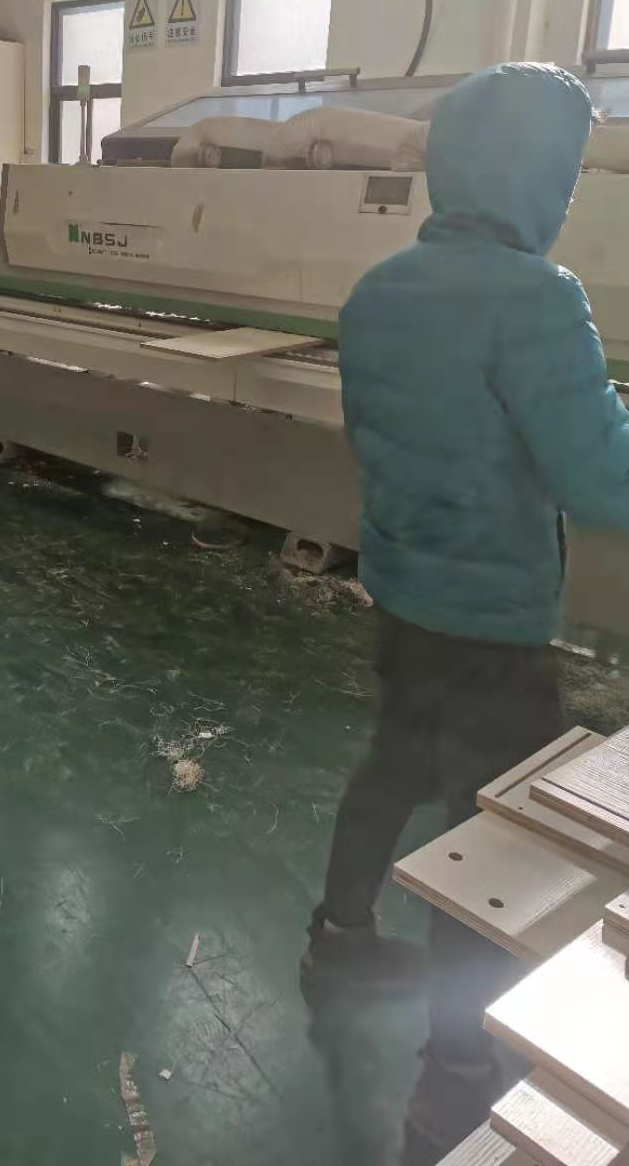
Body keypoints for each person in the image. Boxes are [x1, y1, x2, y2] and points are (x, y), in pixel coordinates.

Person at [301, 64, 629, 1162]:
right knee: (487, 854)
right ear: (536, 175)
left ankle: (340, 936)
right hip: (491, 622)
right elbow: (601, 479)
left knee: (395, 759)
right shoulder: (539, 298)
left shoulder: (377, 291)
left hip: (404, 594)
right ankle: (453, 1082)